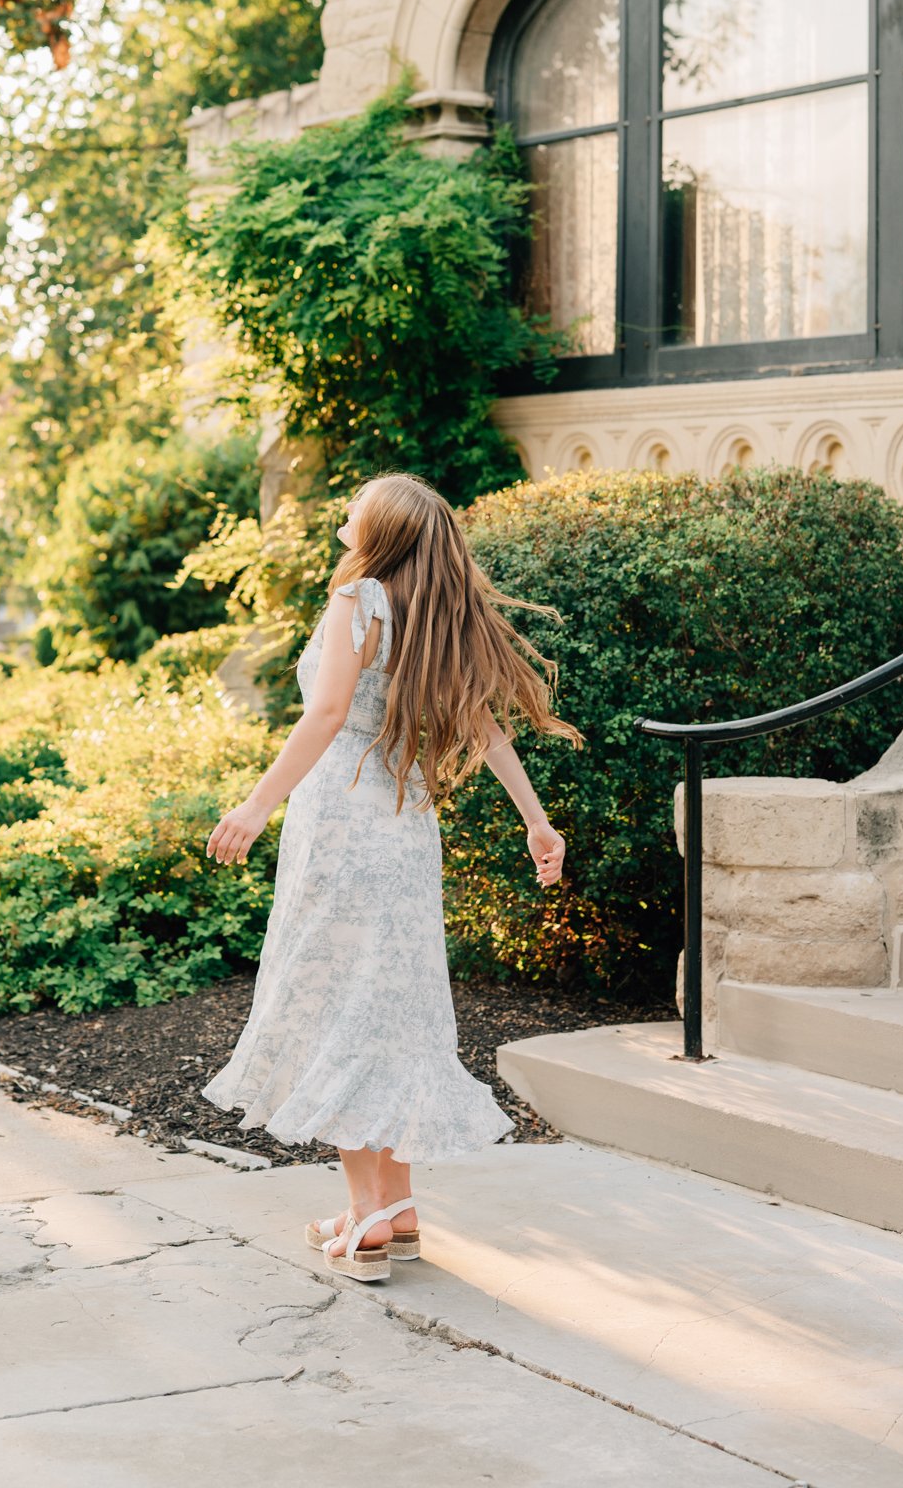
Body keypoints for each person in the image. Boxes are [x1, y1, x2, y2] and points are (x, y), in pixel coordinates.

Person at [201, 472, 581, 1282]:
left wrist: (257, 803)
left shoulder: (357, 598)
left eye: (356, 506)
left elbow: (328, 714)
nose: (345, 513)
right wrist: (535, 819)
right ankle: (393, 1211)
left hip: (340, 827)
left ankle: (367, 1222)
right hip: (406, 833)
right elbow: (482, 725)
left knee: (340, 1007)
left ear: (380, 529)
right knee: (392, 1011)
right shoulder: (433, 614)